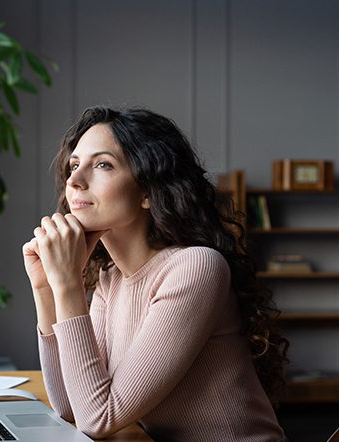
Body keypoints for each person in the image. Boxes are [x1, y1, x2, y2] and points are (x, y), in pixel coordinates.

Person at [22, 107, 289, 441]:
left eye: (102, 164)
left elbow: (99, 418)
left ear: (148, 191)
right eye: (74, 165)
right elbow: (71, 409)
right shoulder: (111, 280)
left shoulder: (195, 268)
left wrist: (67, 284)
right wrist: (46, 286)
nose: (74, 180)